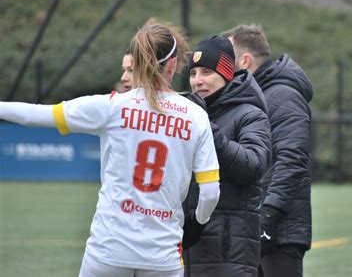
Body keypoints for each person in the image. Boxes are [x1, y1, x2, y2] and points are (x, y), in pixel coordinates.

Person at [0, 19, 221, 277]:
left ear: (135, 63)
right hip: (163, 254)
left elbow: (37, 115)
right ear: (173, 65)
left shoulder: (112, 106)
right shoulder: (195, 116)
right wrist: (198, 223)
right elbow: (210, 192)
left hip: (109, 248)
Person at [221, 24, 313, 277]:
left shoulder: (282, 95)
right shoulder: (256, 94)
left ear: (246, 60)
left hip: (279, 233)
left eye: (227, 60)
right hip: (256, 226)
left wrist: (268, 217)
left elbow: (292, 161)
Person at [183, 35, 272, 276]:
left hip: (228, 251)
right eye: (193, 74)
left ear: (225, 73)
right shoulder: (188, 113)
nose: (198, 81)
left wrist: (207, 128)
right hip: (187, 246)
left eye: (206, 72)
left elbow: (253, 165)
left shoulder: (250, 113)